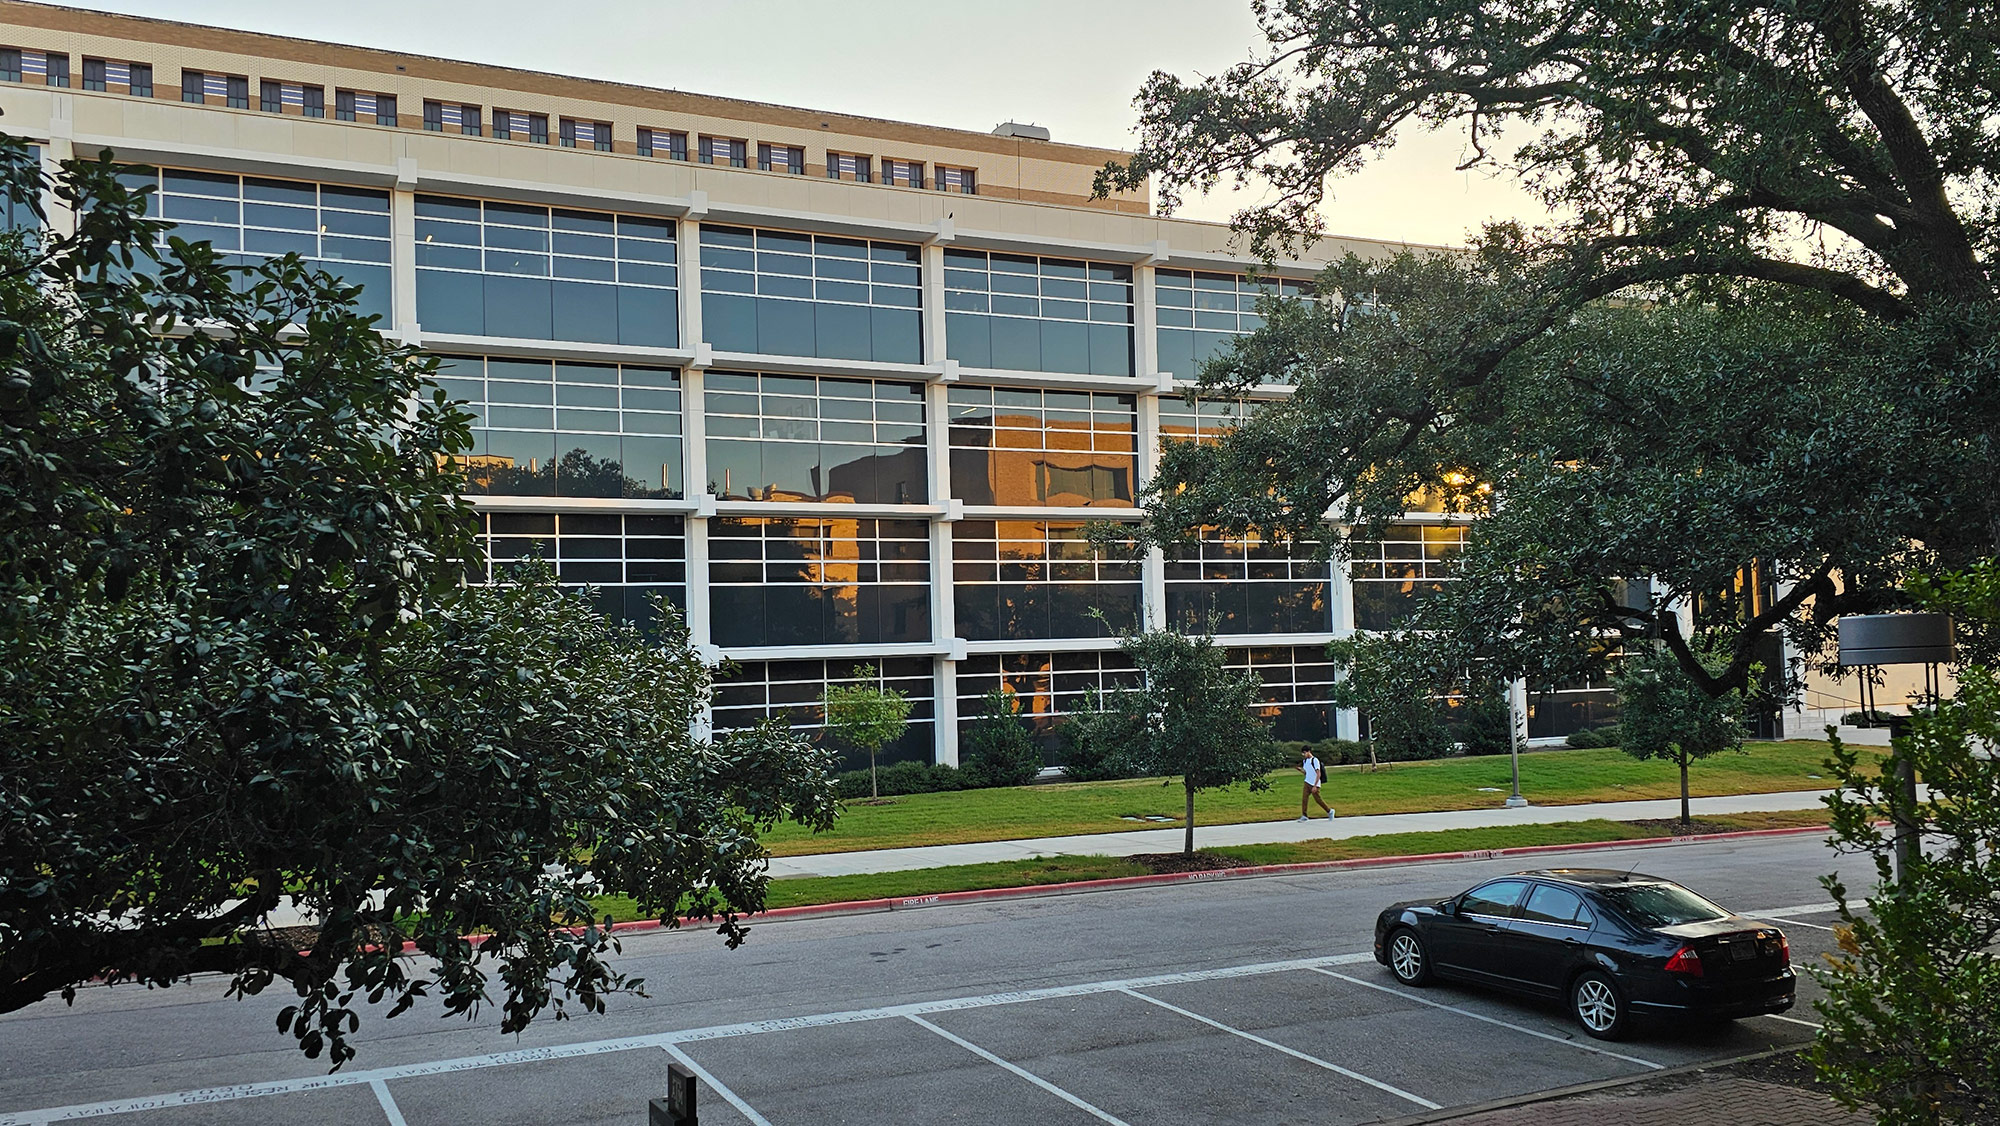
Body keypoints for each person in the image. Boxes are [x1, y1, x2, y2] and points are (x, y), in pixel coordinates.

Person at [1298, 746, 1334, 822]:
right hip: (1307, 782)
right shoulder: (1305, 761)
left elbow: (1318, 773)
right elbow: (1306, 773)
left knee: (1318, 800)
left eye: (1304, 753)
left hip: (1314, 783)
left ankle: (1329, 811)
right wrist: (1300, 770)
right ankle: (1304, 815)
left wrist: (1315, 785)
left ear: (1308, 752)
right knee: (1304, 799)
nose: (1304, 755)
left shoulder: (1314, 760)